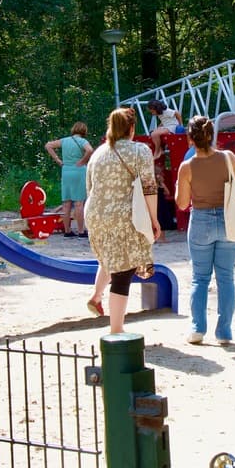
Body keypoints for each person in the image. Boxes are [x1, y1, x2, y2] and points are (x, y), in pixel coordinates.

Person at [174, 115, 235, 345]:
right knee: (226, 278)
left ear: (191, 139)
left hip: (200, 221)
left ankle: (198, 329)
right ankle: (224, 332)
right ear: (211, 136)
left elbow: (182, 204)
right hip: (229, 220)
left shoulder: (186, 167)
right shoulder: (228, 157)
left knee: (200, 278)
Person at [85, 107, 161, 334]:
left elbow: (90, 187)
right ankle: (116, 331)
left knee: (110, 261)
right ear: (131, 128)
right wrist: (154, 219)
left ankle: (98, 298)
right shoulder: (140, 150)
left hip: (96, 215)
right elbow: (149, 186)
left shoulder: (99, 153)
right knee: (123, 272)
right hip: (124, 217)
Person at [46, 122, 94, 237]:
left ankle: (67, 231)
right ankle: (81, 231)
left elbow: (48, 145)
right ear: (84, 131)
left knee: (66, 203)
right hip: (79, 171)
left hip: (66, 170)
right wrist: (83, 161)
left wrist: (58, 160)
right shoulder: (83, 141)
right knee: (79, 203)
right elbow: (90, 150)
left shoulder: (64, 140)